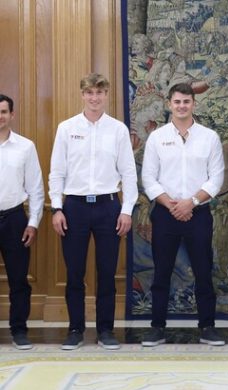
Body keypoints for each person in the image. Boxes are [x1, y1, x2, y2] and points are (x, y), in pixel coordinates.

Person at [49, 73, 138, 350]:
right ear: (82, 95)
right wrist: (56, 208)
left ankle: (106, 330)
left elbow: (129, 174)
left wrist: (126, 211)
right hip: (73, 207)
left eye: (100, 93)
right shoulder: (66, 128)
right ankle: (75, 329)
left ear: (107, 95)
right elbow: (57, 172)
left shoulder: (118, 130)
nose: (95, 98)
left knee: (107, 272)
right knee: (74, 272)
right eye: (90, 93)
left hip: (108, 207)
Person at [140, 83, 225, 347]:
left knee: (203, 271)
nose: (181, 106)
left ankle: (207, 327)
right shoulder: (157, 137)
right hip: (165, 214)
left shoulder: (209, 137)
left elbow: (217, 178)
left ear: (193, 104)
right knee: (161, 272)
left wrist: (191, 202)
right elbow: (149, 178)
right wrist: (172, 204)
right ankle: (157, 328)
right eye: (177, 102)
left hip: (198, 213)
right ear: (169, 104)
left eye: (186, 102)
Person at [0, 94, 44, 350]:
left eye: (4, 111)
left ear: (12, 115)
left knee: (19, 280)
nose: (0, 116)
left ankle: (19, 330)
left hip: (16, 219)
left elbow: (36, 188)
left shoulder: (26, 147)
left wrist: (34, 223)